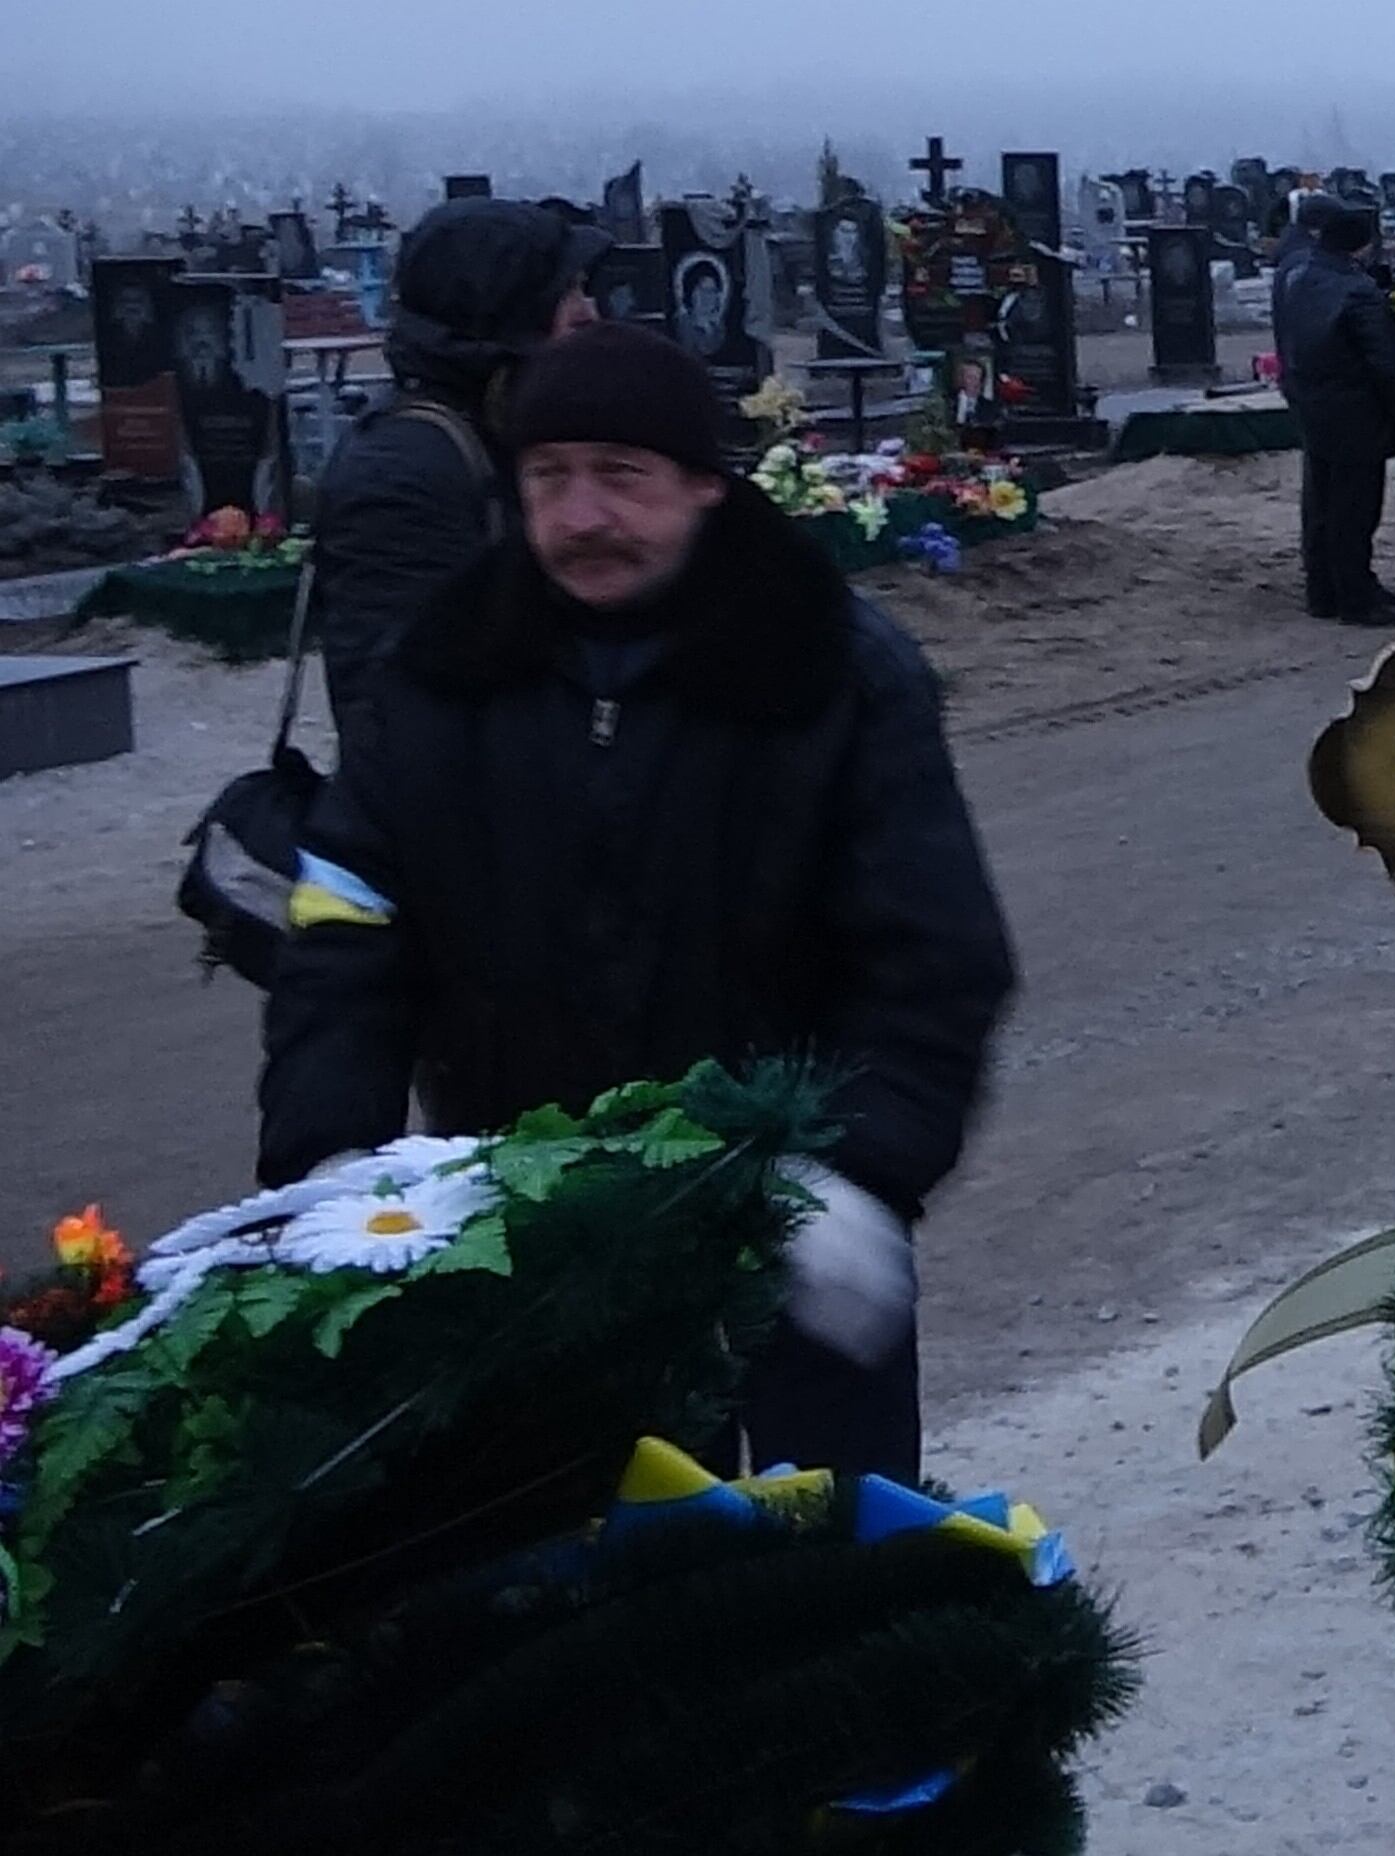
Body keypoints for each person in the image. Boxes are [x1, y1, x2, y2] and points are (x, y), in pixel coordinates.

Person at [261, 325, 1013, 1478]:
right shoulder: (447, 667)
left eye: (622, 475)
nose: (580, 516)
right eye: (548, 476)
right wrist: (331, 1155)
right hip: (523, 1232)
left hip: (785, 1233)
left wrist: (855, 1170)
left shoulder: (826, 667)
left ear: (706, 483)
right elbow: (347, 918)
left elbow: (934, 954)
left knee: (816, 1593)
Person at [311, 196, 607, 753]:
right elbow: (395, 710)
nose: (587, 312)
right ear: (503, 310)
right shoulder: (402, 471)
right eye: (567, 292)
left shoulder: (496, 428)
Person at [1273, 203, 1395, 623]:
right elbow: (1386, 364)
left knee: (1321, 504)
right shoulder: (1359, 292)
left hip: (1312, 405)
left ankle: (1323, 592)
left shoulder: (1299, 277)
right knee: (1355, 509)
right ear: (1363, 246)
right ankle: (1356, 599)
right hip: (1356, 413)